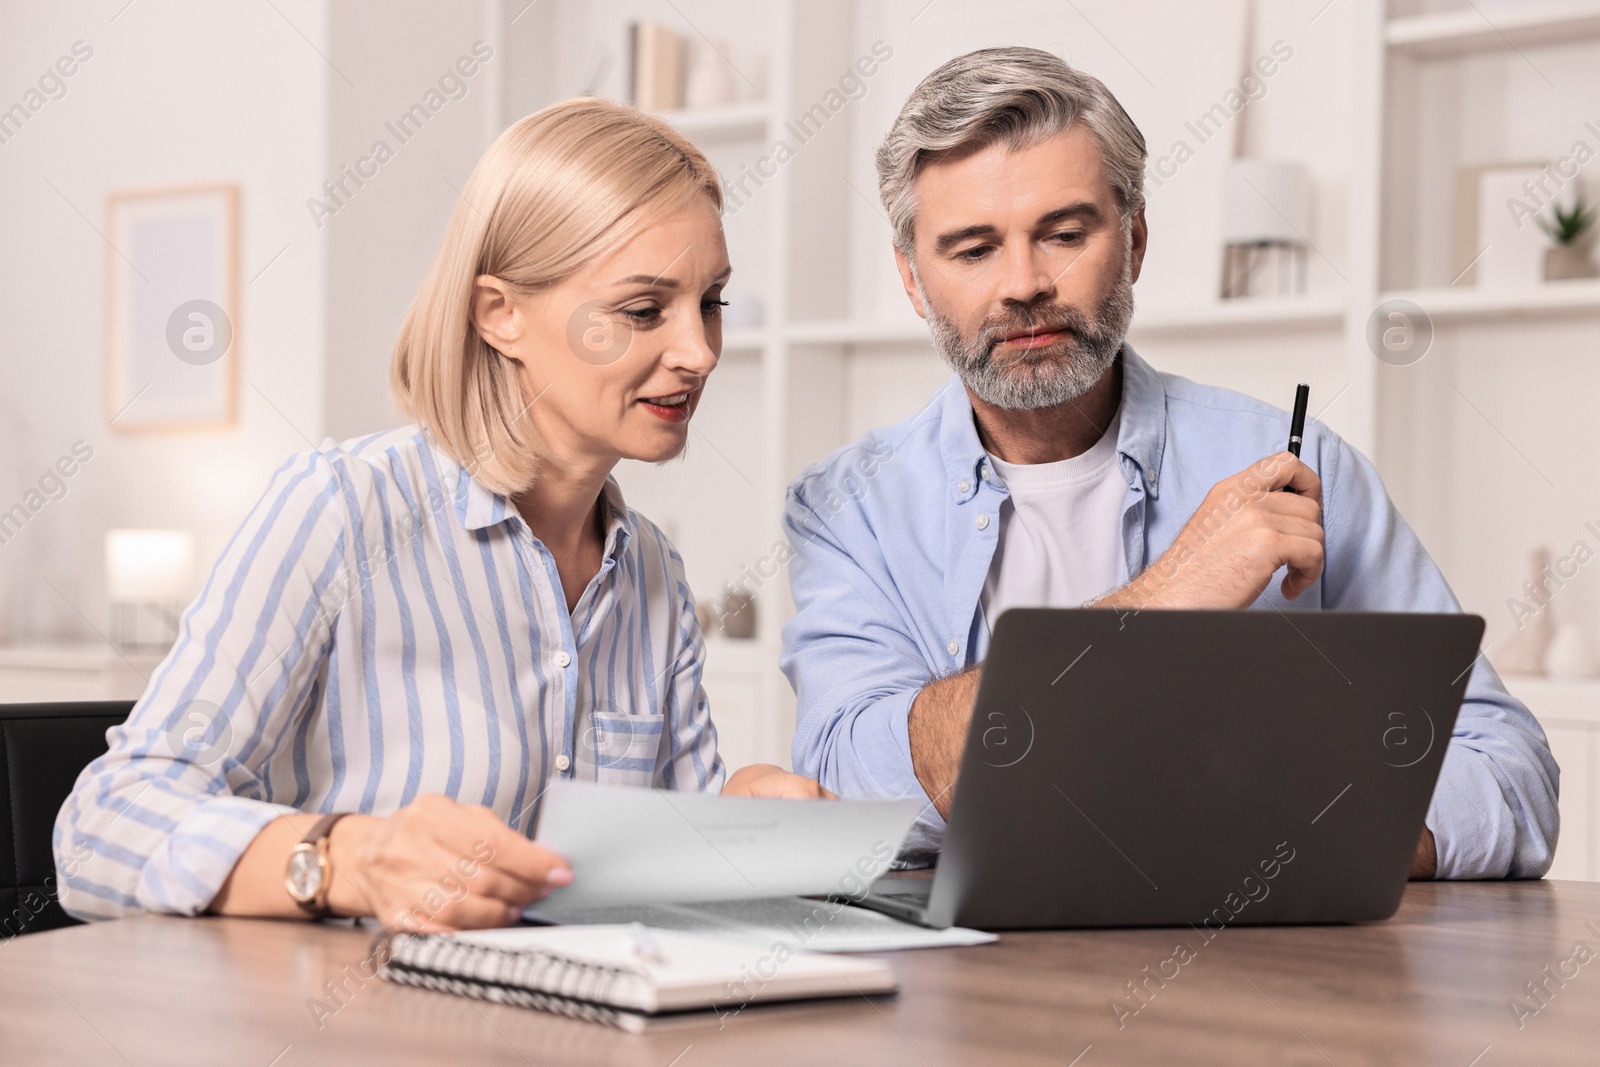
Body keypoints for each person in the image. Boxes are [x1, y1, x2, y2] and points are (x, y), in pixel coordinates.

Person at [781, 48, 1559, 879]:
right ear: (912, 279)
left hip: (1253, 983)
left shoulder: (1299, 466)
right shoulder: (847, 507)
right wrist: (1170, 594)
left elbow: (1508, 767)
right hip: (967, 990)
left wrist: (1333, 833)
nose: (1023, 284)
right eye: (973, 249)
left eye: (1065, 233)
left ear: (1136, 239)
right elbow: (848, 780)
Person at [55, 98, 827, 932]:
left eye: (710, 301)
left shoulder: (651, 574)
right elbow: (102, 830)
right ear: (500, 313)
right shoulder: (341, 510)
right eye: (644, 310)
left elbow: (657, 877)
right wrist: (348, 858)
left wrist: (740, 818)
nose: (700, 350)